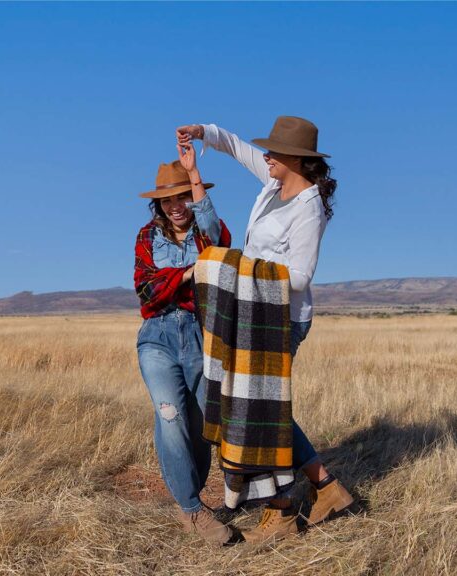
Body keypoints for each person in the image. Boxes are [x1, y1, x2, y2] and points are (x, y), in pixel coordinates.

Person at [177, 116, 354, 543]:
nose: (267, 156)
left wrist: (240, 267)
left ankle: (283, 512)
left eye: (274, 151)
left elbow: (299, 276)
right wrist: (203, 133)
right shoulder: (274, 182)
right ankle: (325, 487)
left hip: (281, 317)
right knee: (260, 408)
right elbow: (237, 147)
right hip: (252, 310)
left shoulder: (308, 206)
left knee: (258, 411)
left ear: (295, 159)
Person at [133, 143, 233, 545]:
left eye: (182, 198)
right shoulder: (145, 237)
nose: (176, 206)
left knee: (202, 425)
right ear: (157, 205)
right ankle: (191, 510)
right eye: (167, 200)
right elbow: (146, 291)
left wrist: (194, 175)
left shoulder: (207, 235)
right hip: (157, 336)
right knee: (169, 415)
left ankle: (199, 492)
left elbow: (219, 242)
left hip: (199, 334)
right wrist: (191, 272)